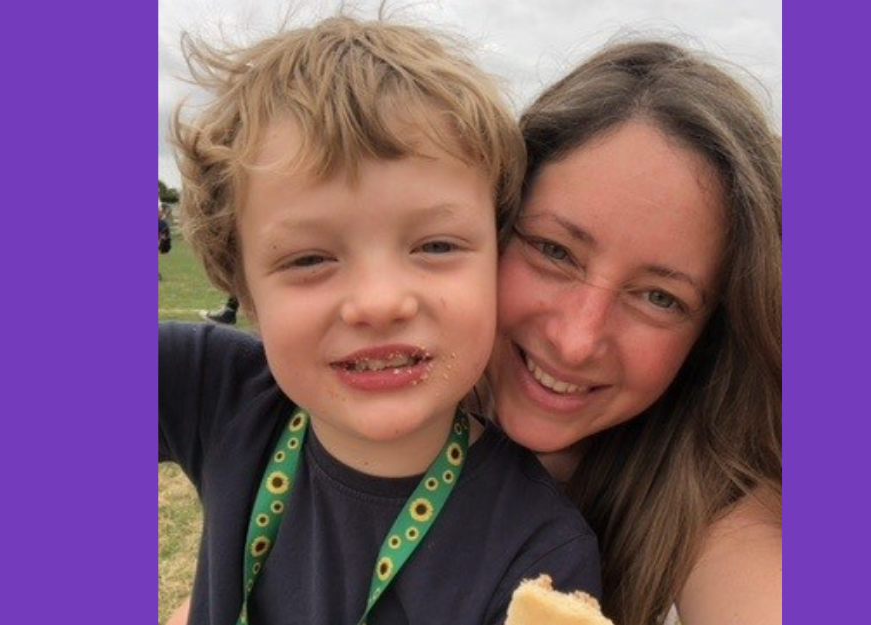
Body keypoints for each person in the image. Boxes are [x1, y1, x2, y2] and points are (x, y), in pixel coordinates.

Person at [161, 16, 601, 625]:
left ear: (497, 262)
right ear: (245, 290)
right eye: (310, 258)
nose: (378, 302)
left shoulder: (540, 557)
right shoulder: (218, 394)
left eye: (436, 246)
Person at [482, 41, 783, 625]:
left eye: (659, 298)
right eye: (554, 251)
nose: (577, 340)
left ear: (711, 333)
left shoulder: (718, 513)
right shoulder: (332, 418)